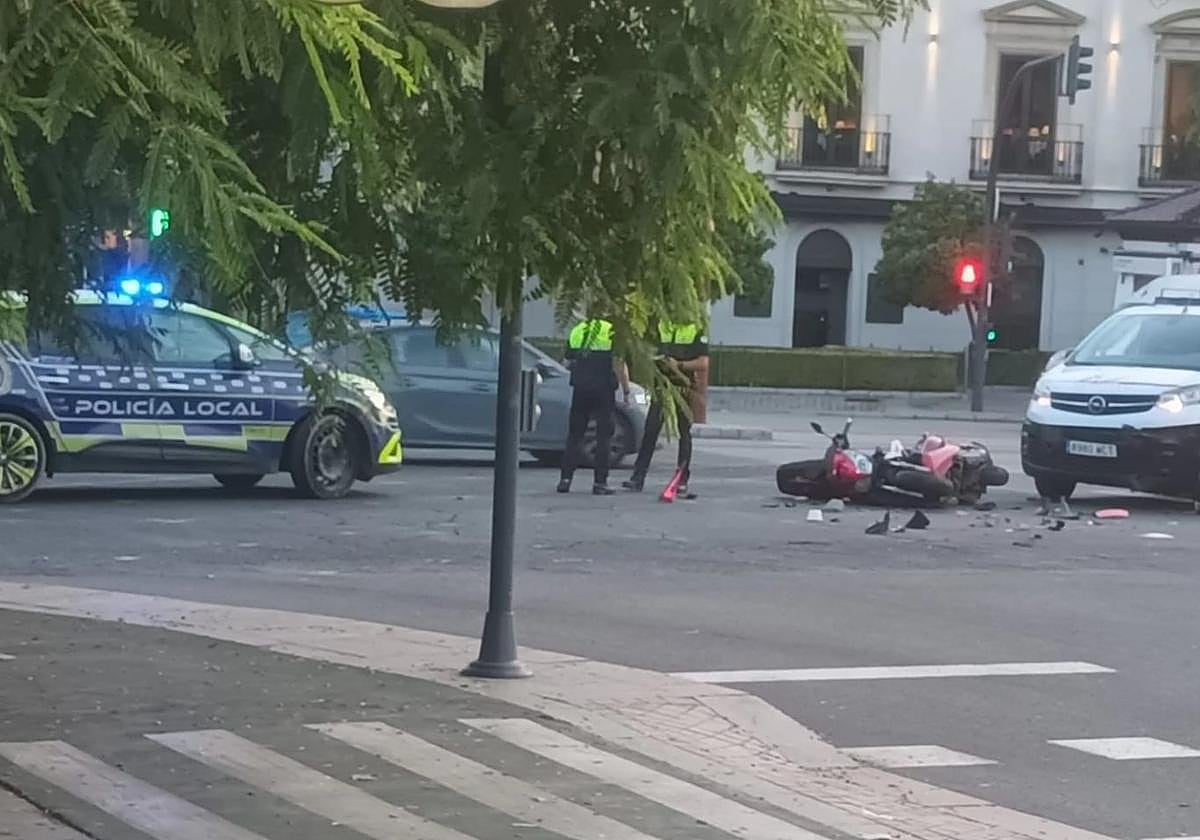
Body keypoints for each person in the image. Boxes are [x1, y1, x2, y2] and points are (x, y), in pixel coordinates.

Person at [623, 319, 709, 494]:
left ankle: (682, 480)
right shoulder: (661, 325)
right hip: (660, 387)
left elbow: (703, 363)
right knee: (651, 430)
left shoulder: (695, 329)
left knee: (684, 433)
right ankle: (637, 478)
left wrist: (679, 365)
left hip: (683, 387)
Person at [557, 314, 630, 495]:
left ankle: (565, 480)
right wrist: (626, 390)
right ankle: (600, 483)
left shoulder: (578, 330)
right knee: (604, 436)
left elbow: (567, 359)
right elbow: (618, 363)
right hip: (603, 390)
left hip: (581, 389)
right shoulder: (611, 331)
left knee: (575, 435)